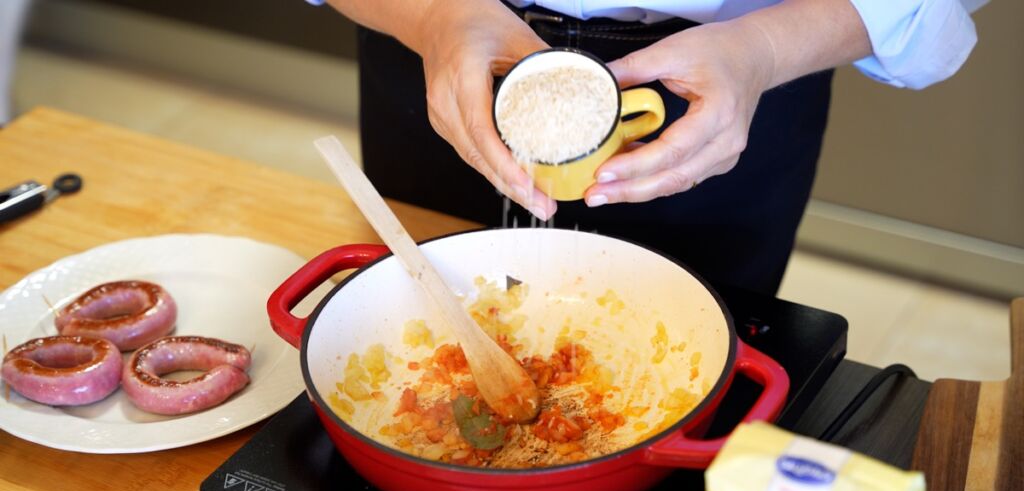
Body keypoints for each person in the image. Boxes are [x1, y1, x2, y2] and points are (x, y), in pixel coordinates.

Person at [307, 0, 985, 295]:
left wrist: (766, 48)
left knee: (691, 361)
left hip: (734, 73)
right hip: (441, 47)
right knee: (420, 312)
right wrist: (428, 15)